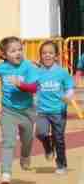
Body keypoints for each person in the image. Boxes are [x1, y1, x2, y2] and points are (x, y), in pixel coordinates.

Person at [0, 36, 40, 184]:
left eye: (20, 49)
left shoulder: (28, 67)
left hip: (27, 110)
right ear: (4, 54)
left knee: (27, 139)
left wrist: (20, 84)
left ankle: (25, 156)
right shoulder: (1, 68)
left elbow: (34, 88)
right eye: (13, 51)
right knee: (8, 141)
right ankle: (5, 175)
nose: (18, 53)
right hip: (8, 110)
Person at [33, 40, 74, 175]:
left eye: (50, 53)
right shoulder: (37, 73)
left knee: (59, 138)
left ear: (56, 56)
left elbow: (69, 87)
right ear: (40, 56)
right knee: (40, 133)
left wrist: (68, 96)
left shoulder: (62, 72)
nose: (47, 56)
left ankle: (61, 164)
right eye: (44, 53)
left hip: (58, 111)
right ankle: (48, 147)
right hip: (42, 111)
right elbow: (32, 88)